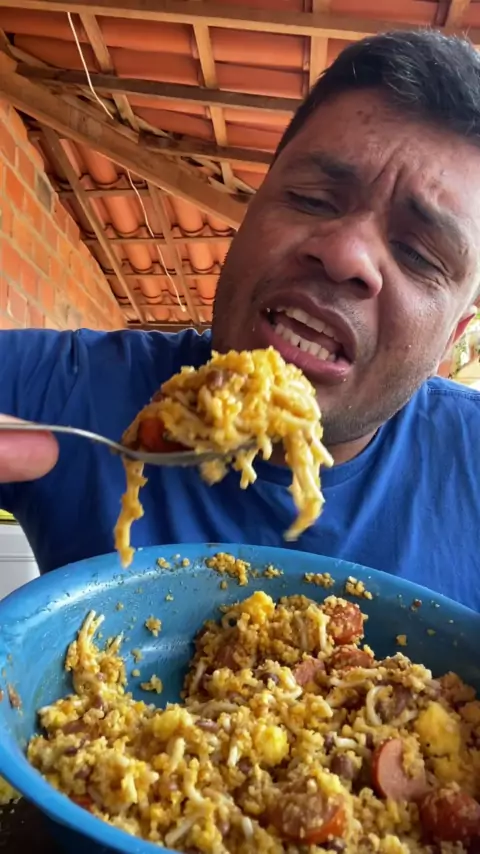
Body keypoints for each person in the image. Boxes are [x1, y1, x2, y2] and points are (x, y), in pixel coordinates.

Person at [1, 29, 480, 608]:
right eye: (312, 198)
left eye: (419, 254)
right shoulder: (73, 389)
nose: (346, 254)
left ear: (453, 337)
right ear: (249, 214)